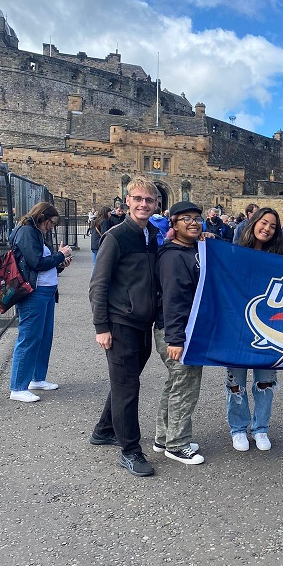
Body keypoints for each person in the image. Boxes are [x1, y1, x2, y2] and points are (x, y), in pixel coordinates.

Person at [88, 178, 159, 477]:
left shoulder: (153, 235)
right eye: (138, 198)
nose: (143, 204)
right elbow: (97, 285)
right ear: (127, 201)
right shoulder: (116, 237)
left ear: (156, 204)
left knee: (124, 382)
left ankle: (104, 430)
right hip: (120, 323)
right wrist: (101, 326)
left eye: (149, 200)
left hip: (143, 322)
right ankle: (130, 451)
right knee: (128, 386)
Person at [227, 207, 283, 451]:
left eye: (273, 226)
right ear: (253, 223)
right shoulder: (233, 252)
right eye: (264, 222)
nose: (267, 228)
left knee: (265, 382)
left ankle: (260, 428)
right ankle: (238, 429)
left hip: (268, 327)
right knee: (235, 383)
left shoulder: (280, 258)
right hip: (237, 327)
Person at [153, 202, 205, 466]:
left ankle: (164, 437)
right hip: (176, 332)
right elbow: (173, 300)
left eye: (197, 218)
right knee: (185, 386)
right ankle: (177, 444)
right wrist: (175, 339)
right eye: (187, 219)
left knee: (175, 384)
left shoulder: (193, 249)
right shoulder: (173, 257)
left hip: (186, 330)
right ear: (173, 224)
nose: (194, 222)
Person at [8, 203, 73, 402]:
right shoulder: (27, 231)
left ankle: (37, 378)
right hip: (33, 293)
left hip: (44, 291)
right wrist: (60, 255)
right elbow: (36, 262)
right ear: (42, 216)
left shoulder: (34, 231)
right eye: (51, 222)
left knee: (43, 336)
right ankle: (18, 386)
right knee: (29, 338)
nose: (51, 227)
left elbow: (42, 266)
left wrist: (60, 263)